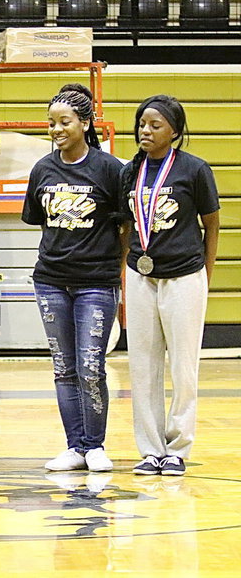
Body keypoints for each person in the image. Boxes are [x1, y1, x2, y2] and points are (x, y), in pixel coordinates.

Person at [21, 85, 124, 472]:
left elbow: (125, 226)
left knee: (90, 365)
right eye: (51, 123)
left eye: (64, 122)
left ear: (85, 123)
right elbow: (39, 221)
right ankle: (74, 446)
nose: (56, 129)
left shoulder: (110, 169)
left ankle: (95, 445)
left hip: (96, 282)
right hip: (50, 280)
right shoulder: (43, 169)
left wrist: (114, 268)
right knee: (63, 366)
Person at [121, 95, 220, 477]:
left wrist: (205, 275)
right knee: (142, 367)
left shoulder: (195, 170)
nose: (145, 131)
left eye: (155, 125)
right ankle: (150, 449)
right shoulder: (130, 172)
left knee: (183, 367)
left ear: (174, 132)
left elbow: (211, 224)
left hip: (185, 276)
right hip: (140, 274)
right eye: (142, 124)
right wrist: (123, 274)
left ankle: (178, 447)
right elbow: (126, 227)